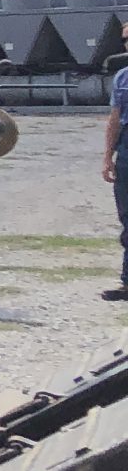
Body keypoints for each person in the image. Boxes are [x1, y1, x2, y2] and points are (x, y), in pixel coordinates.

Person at [104, 55, 128, 304]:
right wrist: (108, 156)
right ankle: (127, 281)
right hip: (126, 149)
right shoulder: (122, 77)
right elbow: (114, 119)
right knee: (127, 217)